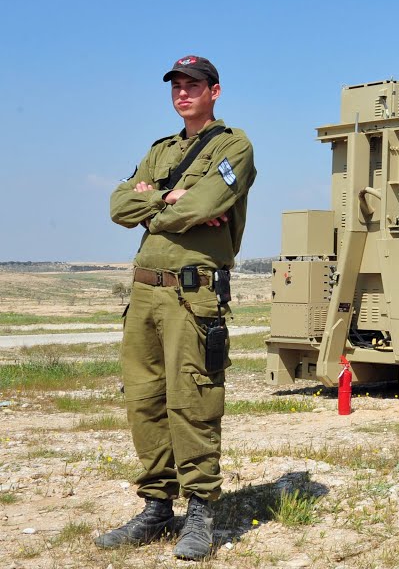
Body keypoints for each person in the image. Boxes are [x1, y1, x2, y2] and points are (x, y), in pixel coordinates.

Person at [99, 55, 256, 561]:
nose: (183, 93)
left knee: (193, 401)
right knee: (144, 401)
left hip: (193, 295)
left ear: (216, 91)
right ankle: (156, 506)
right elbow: (119, 207)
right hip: (144, 292)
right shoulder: (159, 149)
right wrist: (173, 199)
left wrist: (166, 204)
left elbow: (203, 205)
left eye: (194, 85)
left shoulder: (234, 145)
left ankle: (202, 512)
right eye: (177, 86)